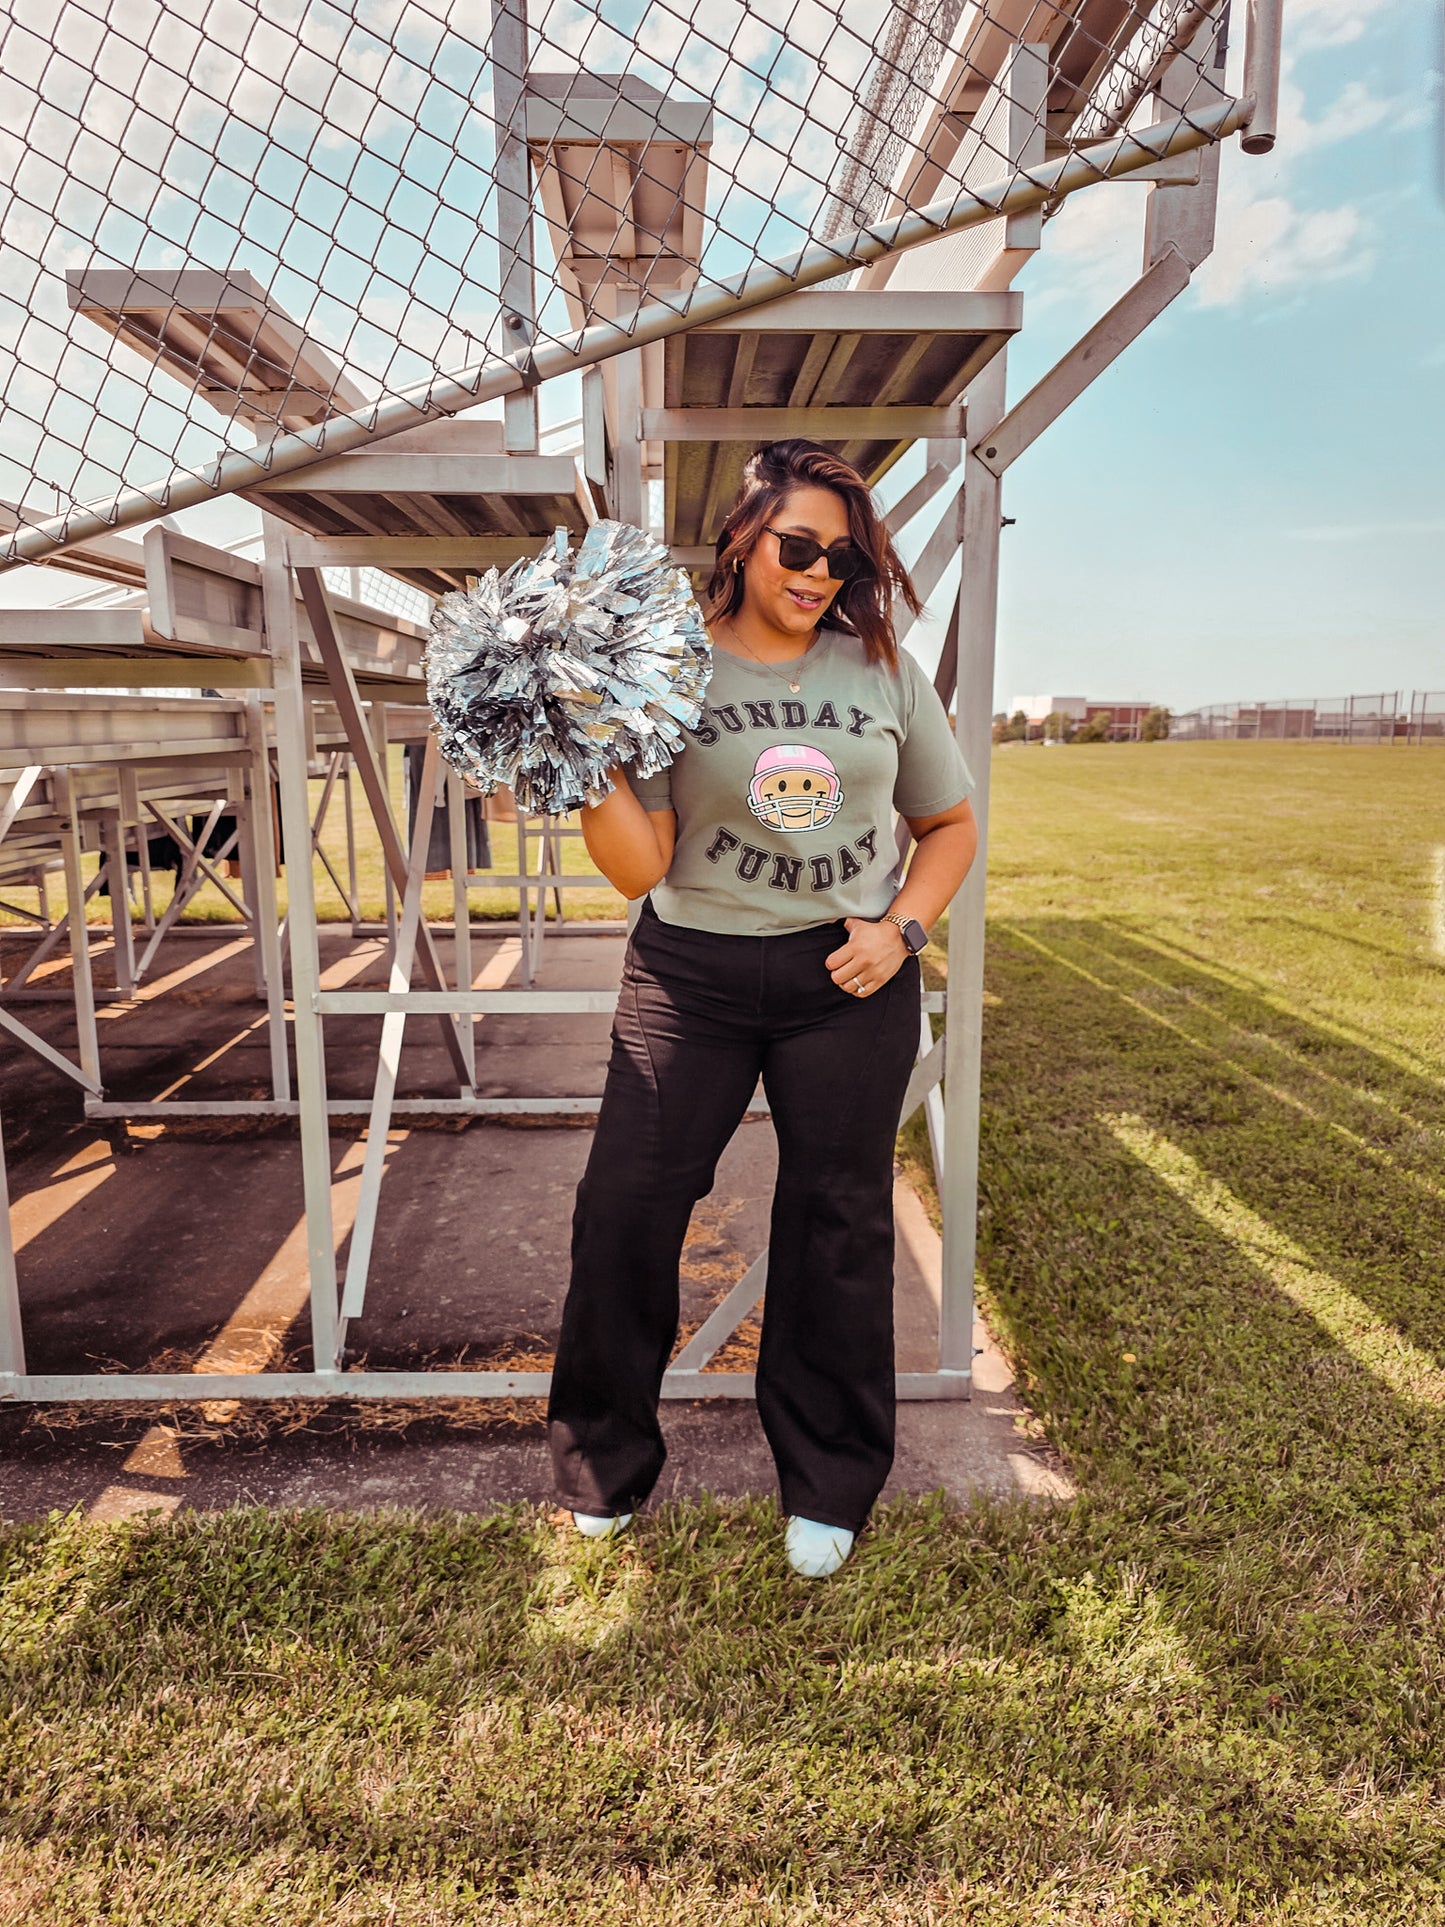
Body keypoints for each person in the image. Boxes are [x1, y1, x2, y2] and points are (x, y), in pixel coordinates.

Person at [546, 439, 979, 1577]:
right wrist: (591, 752)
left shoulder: (879, 668)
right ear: (742, 540)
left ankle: (828, 1480)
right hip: (687, 973)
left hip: (843, 979)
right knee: (624, 1206)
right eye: (798, 546)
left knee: (838, 1221)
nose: (819, 571)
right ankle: (601, 1461)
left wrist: (901, 931)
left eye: (841, 556)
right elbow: (638, 868)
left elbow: (950, 828)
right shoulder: (667, 666)